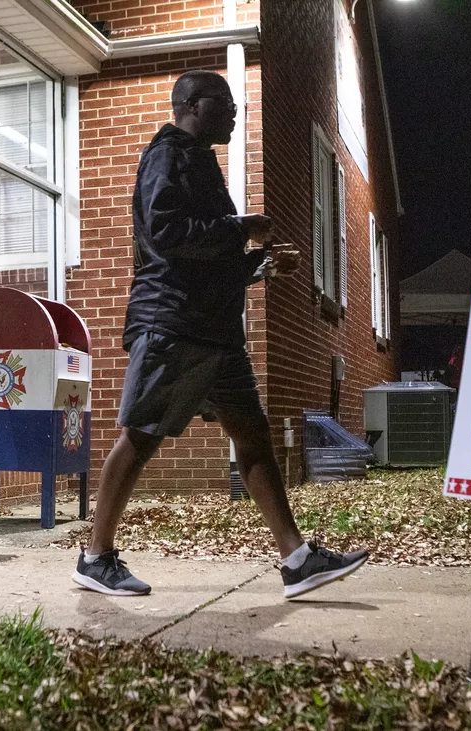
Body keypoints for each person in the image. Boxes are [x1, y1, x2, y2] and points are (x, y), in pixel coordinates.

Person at [72, 70, 368, 600]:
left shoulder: (199, 161)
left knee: (252, 438)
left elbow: (205, 257)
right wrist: (243, 227)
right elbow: (165, 233)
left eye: (234, 105)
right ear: (190, 104)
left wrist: (259, 264)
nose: (233, 112)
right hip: (175, 325)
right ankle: (95, 558)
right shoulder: (168, 154)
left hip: (213, 332)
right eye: (224, 103)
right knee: (142, 436)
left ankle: (297, 559)